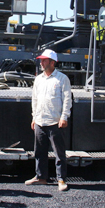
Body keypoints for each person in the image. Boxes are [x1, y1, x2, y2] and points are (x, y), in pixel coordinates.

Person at [25, 49, 72, 191]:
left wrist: (64, 117)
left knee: (59, 153)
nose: (41, 62)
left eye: (44, 60)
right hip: (40, 121)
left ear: (53, 62)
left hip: (55, 122)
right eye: (41, 60)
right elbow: (35, 99)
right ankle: (41, 177)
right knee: (39, 151)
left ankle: (61, 179)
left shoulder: (62, 79)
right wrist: (34, 117)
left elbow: (67, 99)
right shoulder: (38, 79)